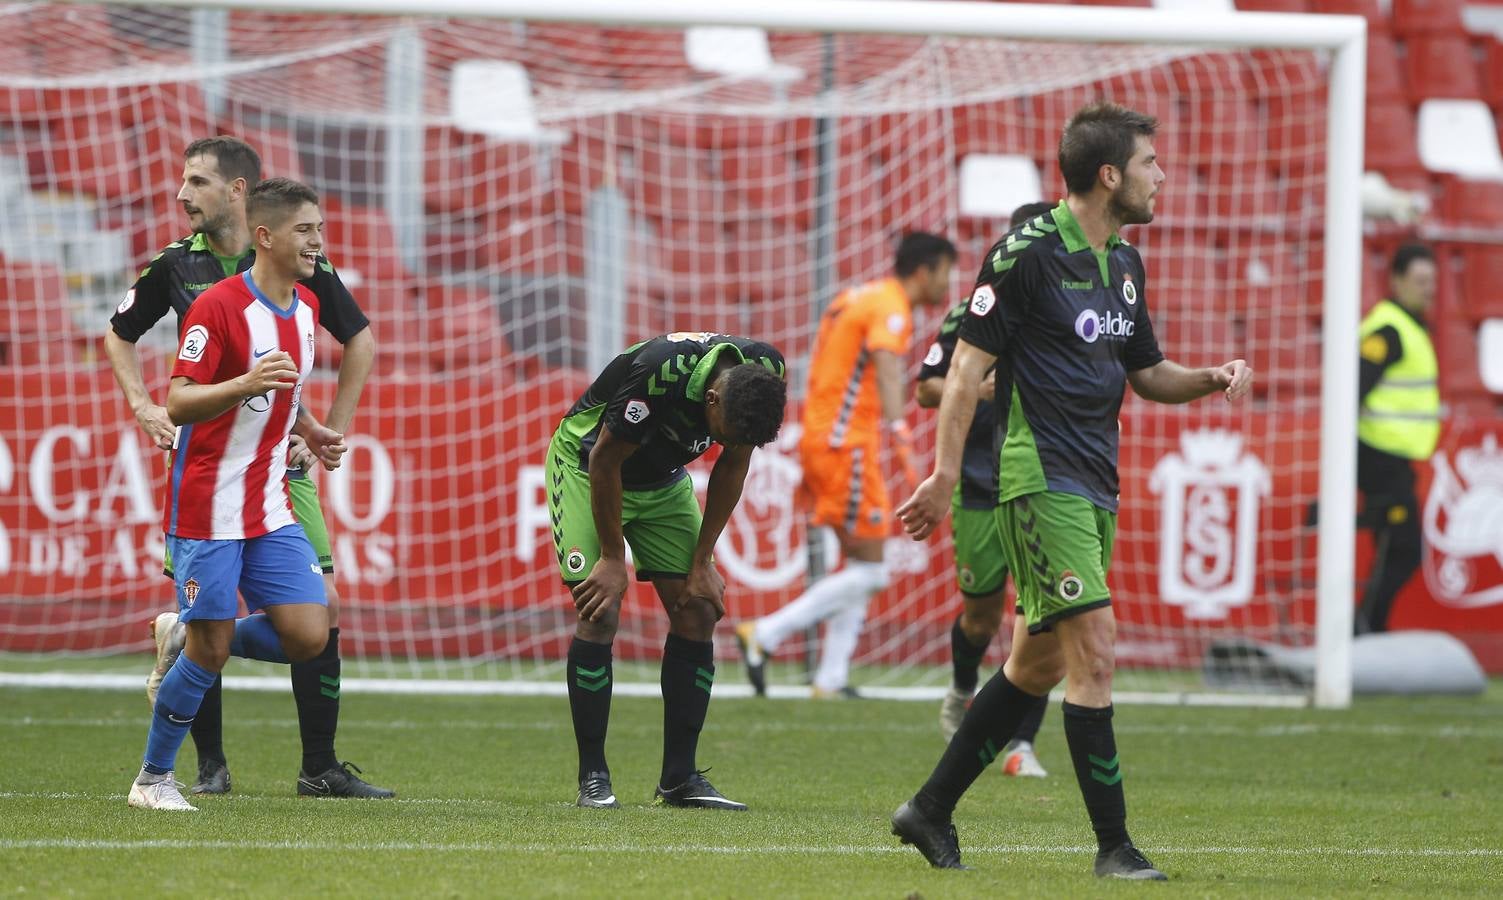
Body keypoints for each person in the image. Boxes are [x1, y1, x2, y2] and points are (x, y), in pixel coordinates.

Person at [888, 102, 1253, 879]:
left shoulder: (1123, 264)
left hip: (1095, 482)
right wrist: (945, 474)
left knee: (1037, 666)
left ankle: (928, 809)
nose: (1162, 177)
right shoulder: (1022, 253)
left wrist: (1209, 379)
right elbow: (961, 374)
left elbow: (1146, 375)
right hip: (1035, 477)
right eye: (1151, 163)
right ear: (1109, 174)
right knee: (1096, 652)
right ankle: (1113, 848)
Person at [105, 137, 392, 799]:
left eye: (320, 230)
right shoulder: (213, 304)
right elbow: (178, 401)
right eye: (306, 232)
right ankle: (155, 777)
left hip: (269, 498)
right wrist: (239, 385)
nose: (318, 244)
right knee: (209, 651)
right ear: (266, 236)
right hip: (207, 499)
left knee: (309, 629)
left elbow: (284, 393)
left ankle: (194, 635)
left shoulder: (308, 311)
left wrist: (313, 428)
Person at [549, 332, 787, 810]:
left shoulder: (764, 374)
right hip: (586, 467)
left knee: (698, 610)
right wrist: (614, 559)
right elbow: (605, 459)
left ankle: (680, 779)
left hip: (662, 482)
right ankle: (593, 777)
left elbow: (733, 465)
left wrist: (702, 561)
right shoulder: (662, 371)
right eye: (721, 431)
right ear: (711, 397)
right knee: (600, 610)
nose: (722, 443)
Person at [735, 233, 957, 699]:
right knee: (873, 569)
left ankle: (830, 678)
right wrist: (900, 434)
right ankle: (766, 635)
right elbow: (887, 365)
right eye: (945, 272)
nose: (948, 284)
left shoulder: (857, 296)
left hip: (824, 438)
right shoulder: (891, 307)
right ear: (924, 270)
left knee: (863, 561)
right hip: (845, 445)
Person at [918, 202, 1054, 777]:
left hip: (1046, 482)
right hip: (978, 484)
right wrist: (985, 386)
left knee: (1042, 614)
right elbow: (927, 388)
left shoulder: (1067, 316)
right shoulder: (972, 312)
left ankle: (1021, 744)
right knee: (980, 617)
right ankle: (960, 686)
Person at [1355, 243, 1439, 634]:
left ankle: (1369, 629)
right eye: (1421, 281)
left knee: (1396, 550)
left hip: (1393, 458)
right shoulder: (1389, 329)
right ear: (1397, 280)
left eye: (1432, 282)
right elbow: (1355, 387)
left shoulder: (1409, 326)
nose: (1429, 289)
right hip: (1379, 456)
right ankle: (1365, 629)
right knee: (1402, 550)